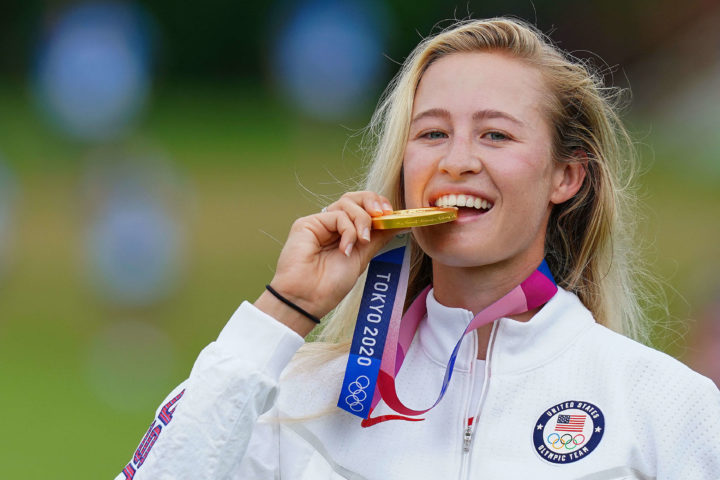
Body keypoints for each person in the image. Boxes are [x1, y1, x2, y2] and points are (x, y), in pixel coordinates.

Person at [116, 18, 720, 480]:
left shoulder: (662, 403)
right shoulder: (300, 396)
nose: (457, 160)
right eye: (432, 133)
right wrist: (285, 308)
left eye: (495, 134)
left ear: (567, 176)